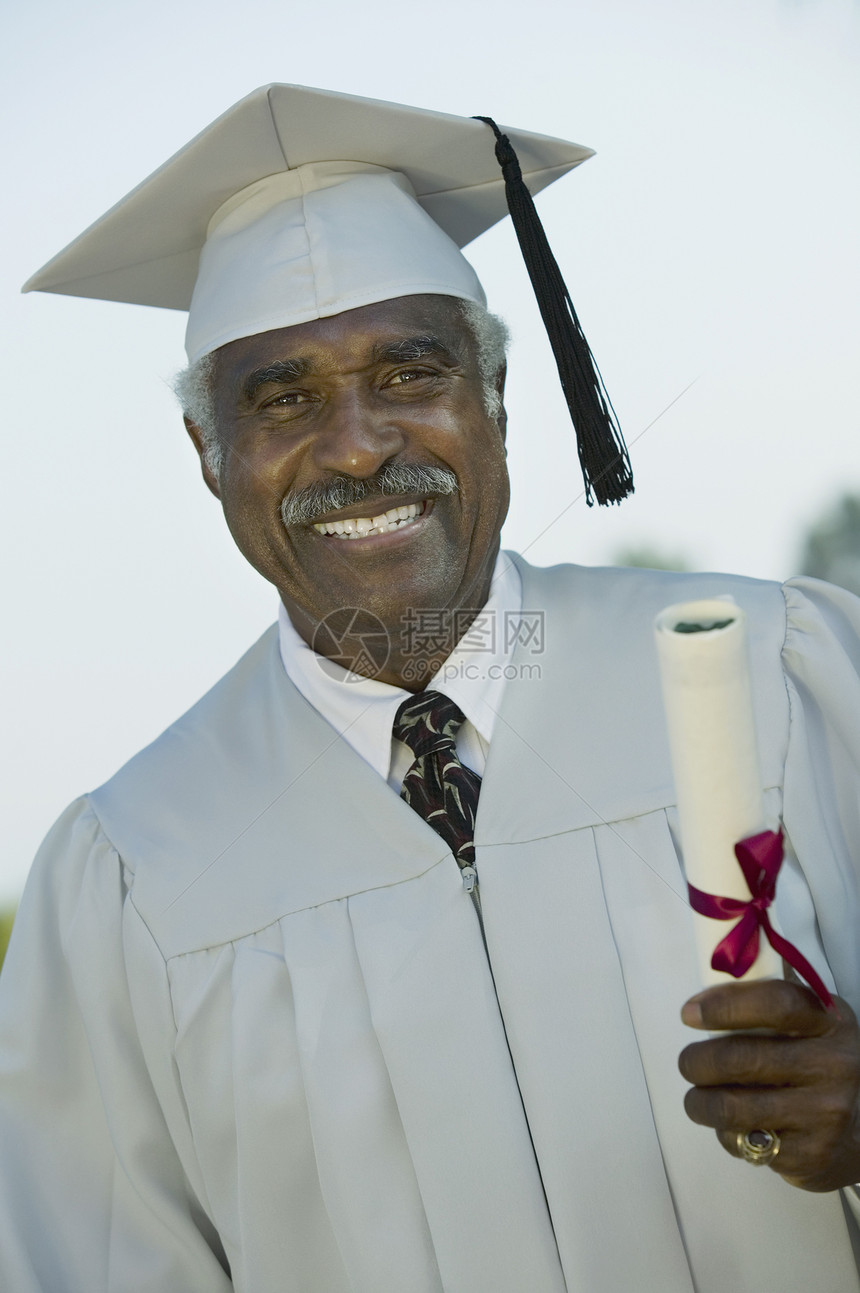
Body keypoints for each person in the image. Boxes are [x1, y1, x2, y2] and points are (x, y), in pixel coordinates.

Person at [1, 83, 860, 1292]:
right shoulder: (133, 873)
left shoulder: (792, 679)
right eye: (283, 397)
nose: (357, 445)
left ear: (495, 400)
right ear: (208, 455)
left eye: (409, 373)